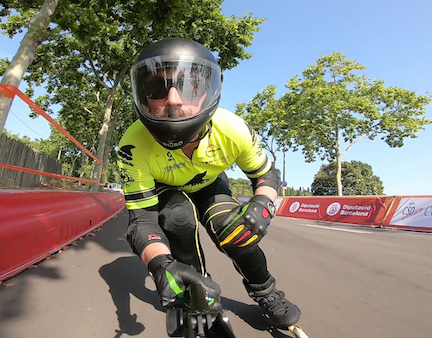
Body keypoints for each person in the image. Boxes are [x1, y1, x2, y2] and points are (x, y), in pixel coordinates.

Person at [116, 38, 301, 329]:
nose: (174, 100)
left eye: (191, 87)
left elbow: (265, 176)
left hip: (209, 185)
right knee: (177, 218)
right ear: (143, 95)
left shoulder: (233, 128)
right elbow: (142, 221)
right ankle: (195, 290)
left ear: (208, 94)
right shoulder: (131, 146)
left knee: (235, 228)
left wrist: (262, 205)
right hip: (168, 189)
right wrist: (161, 266)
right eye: (156, 89)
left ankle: (266, 291)